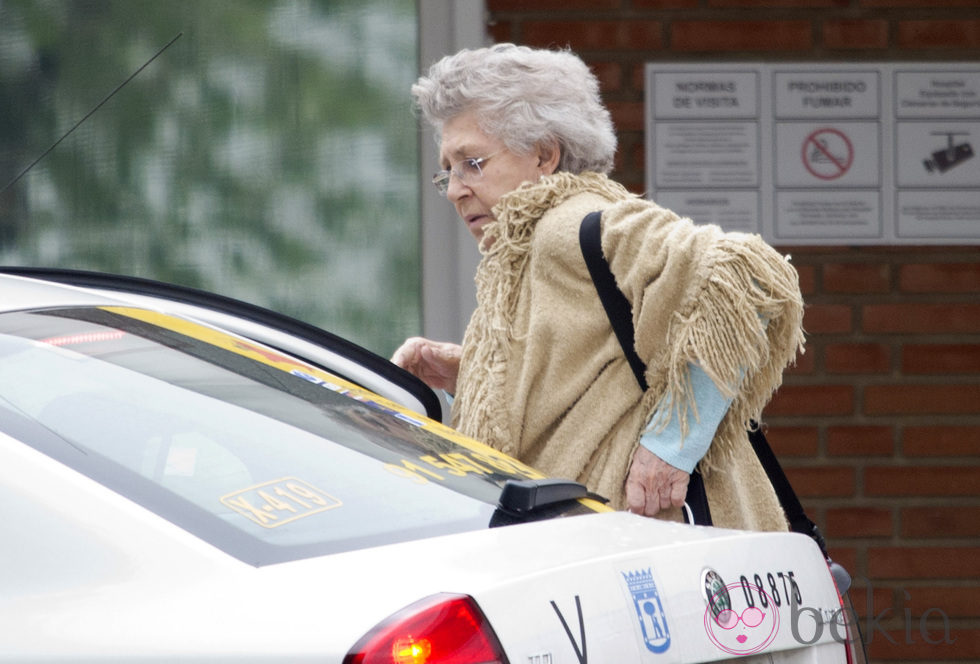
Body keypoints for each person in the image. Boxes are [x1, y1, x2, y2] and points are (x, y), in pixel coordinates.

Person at [391, 43, 805, 531]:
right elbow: (587, 378)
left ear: (545, 155)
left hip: (644, 552)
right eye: (448, 172)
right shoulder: (525, 242)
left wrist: (671, 447)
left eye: (472, 163)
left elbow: (746, 275)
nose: (456, 188)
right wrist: (470, 372)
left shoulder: (569, 224)